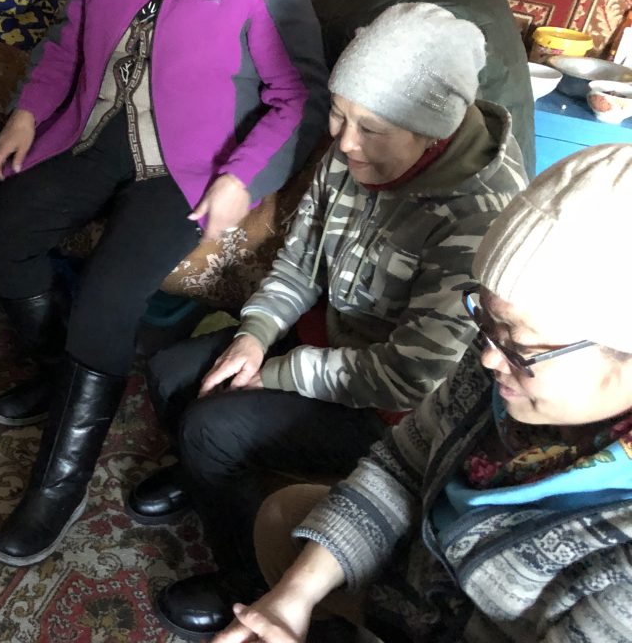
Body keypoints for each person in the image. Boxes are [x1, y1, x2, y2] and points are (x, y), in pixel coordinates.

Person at [130, 2, 529, 639]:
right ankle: (206, 474)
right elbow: (297, 265)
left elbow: (408, 378)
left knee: (212, 425)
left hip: (396, 408)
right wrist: (253, 336)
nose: (344, 142)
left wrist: (277, 371)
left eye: (369, 128)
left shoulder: (479, 213)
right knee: (173, 370)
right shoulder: (355, 152)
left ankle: (247, 583)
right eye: (339, 115)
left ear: (432, 130)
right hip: (331, 340)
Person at [0, 0, 330, 567]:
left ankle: (59, 484)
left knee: (108, 294)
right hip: (95, 134)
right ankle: (58, 371)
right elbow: (65, 43)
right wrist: (27, 111)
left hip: (191, 165)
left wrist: (241, 178)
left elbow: (298, 97)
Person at [216, 143, 632, 643]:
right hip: (426, 581)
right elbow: (403, 465)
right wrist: (295, 596)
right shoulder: (497, 366)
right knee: (282, 520)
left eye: (520, 347)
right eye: (487, 321)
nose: (488, 358)